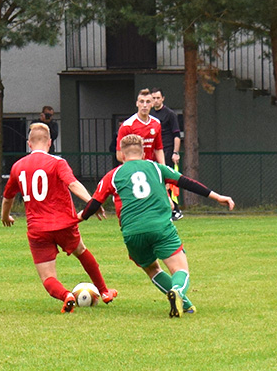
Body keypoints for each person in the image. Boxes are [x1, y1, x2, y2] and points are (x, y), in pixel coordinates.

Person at [79, 134, 235, 317]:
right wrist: (218, 197)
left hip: (132, 233)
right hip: (160, 228)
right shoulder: (157, 167)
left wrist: (76, 218)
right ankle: (177, 290)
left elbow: (94, 205)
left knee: (152, 269)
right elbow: (187, 183)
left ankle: (186, 305)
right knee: (180, 269)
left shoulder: (113, 175)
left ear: (121, 154)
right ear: (144, 152)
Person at [1, 123, 117, 313]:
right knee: (82, 251)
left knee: (47, 277)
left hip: (38, 229)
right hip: (64, 224)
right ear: (50, 143)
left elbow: (8, 198)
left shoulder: (17, 167)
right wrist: (92, 202)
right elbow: (73, 184)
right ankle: (104, 292)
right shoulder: (57, 163)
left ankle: (66, 295)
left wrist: (5, 216)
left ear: (29, 143)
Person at [150, 87, 184, 221]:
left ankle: (174, 209)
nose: (156, 100)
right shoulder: (150, 115)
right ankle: (162, 209)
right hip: (154, 153)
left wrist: (175, 152)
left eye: (158, 98)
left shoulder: (170, 114)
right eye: (154, 98)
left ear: (163, 98)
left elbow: (177, 135)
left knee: (168, 181)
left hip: (167, 151)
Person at [116, 88, 165, 165]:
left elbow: (158, 149)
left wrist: (163, 168)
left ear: (152, 104)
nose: (144, 105)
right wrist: (137, 164)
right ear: (137, 103)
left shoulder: (156, 123)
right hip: (133, 168)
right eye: (142, 102)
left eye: (148, 102)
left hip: (150, 168)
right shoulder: (127, 125)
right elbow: (119, 155)